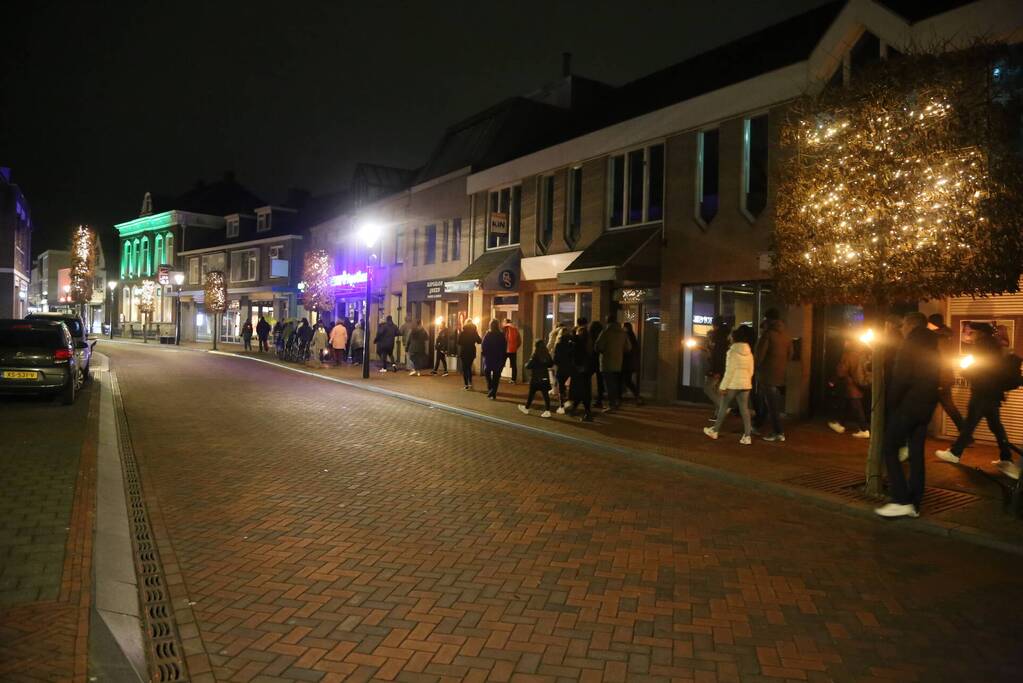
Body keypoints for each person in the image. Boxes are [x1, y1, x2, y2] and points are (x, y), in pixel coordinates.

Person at [876, 313, 940, 518]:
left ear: (911, 325)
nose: (901, 329)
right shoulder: (933, 345)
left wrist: (891, 403)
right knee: (916, 452)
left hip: (908, 405)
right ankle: (915, 501)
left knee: (889, 447)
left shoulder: (910, 345)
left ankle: (901, 499)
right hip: (925, 406)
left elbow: (901, 378)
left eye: (903, 326)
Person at [935, 322, 1017, 476]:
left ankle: (955, 453)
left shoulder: (982, 346)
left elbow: (979, 370)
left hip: (982, 391)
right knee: (995, 426)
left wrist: (966, 371)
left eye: (972, 332)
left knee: (971, 424)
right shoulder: (995, 346)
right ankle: (1006, 458)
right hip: (992, 392)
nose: (969, 335)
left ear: (980, 333)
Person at [704, 325, 756, 444]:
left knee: (723, 407)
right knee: (744, 409)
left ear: (734, 338)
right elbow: (751, 370)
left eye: (731, 336)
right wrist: (747, 380)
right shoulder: (749, 352)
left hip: (733, 384)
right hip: (746, 384)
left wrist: (723, 386)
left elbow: (729, 371)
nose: (729, 337)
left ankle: (715, 431)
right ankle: (747, 436)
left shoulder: (732, 352)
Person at [754, 308, 792, 442]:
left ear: (768, 319)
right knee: (767, 402)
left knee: (771, 405)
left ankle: (778, 432)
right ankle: (757, 424)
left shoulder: (768, 334)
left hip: (767, 374)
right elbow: (790, 355)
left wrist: (756, 367)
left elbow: (759, 356)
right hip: (780, 374)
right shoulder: (786, 335)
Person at [927, 313, 965, 433]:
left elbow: (940, 360)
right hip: (942, 377)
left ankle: (966, 434)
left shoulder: (939, 339)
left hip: (940, 378)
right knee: (945, 407)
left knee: (947, 407)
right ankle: (966, 434)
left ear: (932, 324)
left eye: (928, 323)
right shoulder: (944, 337)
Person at [828, 339, 870, 438]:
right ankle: (840, 424)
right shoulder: (862, 354)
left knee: (856, 406)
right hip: (859, 383)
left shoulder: (848, 355)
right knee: (846, 403)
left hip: (851, 385)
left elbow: (842, 370)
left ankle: (864, 429)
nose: (845, 343)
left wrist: (833, 381)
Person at [594, 314, 630, 413]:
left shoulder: (605, 332)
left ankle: (612, 404)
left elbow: (598, 346)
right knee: (616, 384)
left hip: (607, 362)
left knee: (609, 385)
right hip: (619, 362)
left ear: (608, 321)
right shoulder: (622, 333)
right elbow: (628, 347)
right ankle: (617, 402)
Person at [519, 339, 554, 418]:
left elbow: (529, 366)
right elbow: (551, 364)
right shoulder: (547, 354)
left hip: (536, 378)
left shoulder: (535, 354)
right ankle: (547, 411)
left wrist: (526, 364)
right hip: (544, 377)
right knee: (545, 395)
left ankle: (526, 408)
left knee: (531, 394)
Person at [567, 326, 594, 422]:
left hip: (579, 371)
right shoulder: (589, 343)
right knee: (583, 392)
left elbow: (573, 354)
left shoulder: (578, 343)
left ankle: (586, 412)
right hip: (586, 372)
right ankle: (576, 409)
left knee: (580, 392)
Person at [704, 317, 731, 413]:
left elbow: (718, 355)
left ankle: (722, 408)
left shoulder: (718, 337)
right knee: (717, 390)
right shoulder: (726, 335)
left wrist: (716, 370)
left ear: (715, 325)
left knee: (708, 388)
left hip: (718, 368)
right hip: (724, 367)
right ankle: (718, 413)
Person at [481, 319, 507, 400]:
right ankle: (493, 392)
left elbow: (484, 345)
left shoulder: (488, 334)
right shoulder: (501, 335)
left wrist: (484, 354)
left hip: (489, 358)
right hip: (498, 358)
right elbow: (504, 346)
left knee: (487, 373)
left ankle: (490, 389)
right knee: (496, 377)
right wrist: (503, 357)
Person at [621, 322, 644, 405]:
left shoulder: (626, 336)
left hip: (626, 362)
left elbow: (626, 349)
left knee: (626, 380)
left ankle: (637, 396)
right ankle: (637, 397)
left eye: (623, 327)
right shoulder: (632, 336)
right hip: (630, 363)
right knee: (627, 380)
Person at [553, 327, 574, 414]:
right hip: (569, 368)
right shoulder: (571, 344)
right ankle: (568, 401)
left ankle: (561, 405)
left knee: (561, 386)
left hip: (561, 368)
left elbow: (556, 358)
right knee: (569, 385)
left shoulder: (558, 344)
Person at [457, 320, 482, 390]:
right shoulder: (474, 332)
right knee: (469, 367)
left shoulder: (463, 332)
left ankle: (466, 384)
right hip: (471, 351)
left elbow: (459, 342)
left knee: (465, 368)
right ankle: (470, 383)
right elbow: (479, 341)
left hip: (464, 351)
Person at [546, 322, 567, 400]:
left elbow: (550, 344)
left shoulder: (554, 333)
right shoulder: (566, 333)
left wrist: (545, 352)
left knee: (554, 373)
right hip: (564, 357)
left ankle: (555, 390)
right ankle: (561, 390)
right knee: (560, 374)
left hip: (555, 355)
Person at [588, 319, 606, 408]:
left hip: (591, 360)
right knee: (600, 381)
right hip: (600, 360)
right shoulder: (602, 335)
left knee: (586, 378)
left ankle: (587, 397)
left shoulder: (589, 336)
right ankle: (600, 399)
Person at [503, 319, 521, 384]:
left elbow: (502, 338)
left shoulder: (504, 329)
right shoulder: (515, 329)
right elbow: (519, 341)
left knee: (501, 364)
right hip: (513, 350)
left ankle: (497, 376)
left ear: (505, 322)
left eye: (504, 322)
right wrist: (515, 347)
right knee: (513, 365)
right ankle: (513, 379)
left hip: (505, 350)